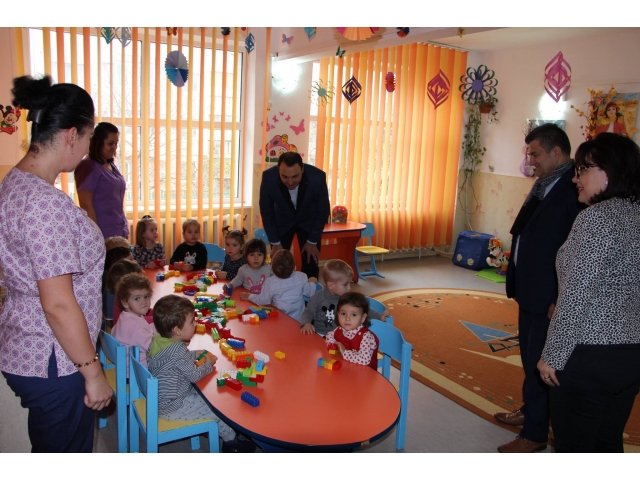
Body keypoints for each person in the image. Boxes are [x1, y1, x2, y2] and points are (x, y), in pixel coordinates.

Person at [0, 75, 112, 452]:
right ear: (71, 135)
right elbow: (58, 303)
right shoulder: (44, 204)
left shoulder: (13, 183)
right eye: (88, 137)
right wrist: (92, 372)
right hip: (56, 358)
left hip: (26, 345)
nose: (86, 149)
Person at [537, 133, 640, 452]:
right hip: (631, 356)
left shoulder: (596, 219)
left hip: (590, 356)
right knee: (607, 443)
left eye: (583, 169)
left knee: (575, 447)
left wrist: (552, 356)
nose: (575, 178)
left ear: (609, 172)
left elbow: (577, 296)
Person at [496, 123, 584, 454]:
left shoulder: (573, 190)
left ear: (556, 152)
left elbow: (574, 254)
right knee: (528, 357)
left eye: (535, 154)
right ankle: (532, 410)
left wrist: (559, 297)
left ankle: (534, 434)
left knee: (540, 361)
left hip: (548, 295)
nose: (530, 160)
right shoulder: (545, 182)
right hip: (529, 289)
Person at [147, 294, 256, 453]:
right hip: (175, 405)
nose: (195, 323)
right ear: (177, 330)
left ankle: (216, 427)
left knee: (205, 397)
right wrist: (208, 365)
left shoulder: (157, 340)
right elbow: (194, 375)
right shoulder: (177, 350)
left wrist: (191, 354)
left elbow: (171, 361)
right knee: (215, 409)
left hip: (163, 400)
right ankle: (231, 441)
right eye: (192, 322)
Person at [259, 151, 330, 279]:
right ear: (278, 171)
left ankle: (310, 291)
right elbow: (267, 211)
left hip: (308, 222)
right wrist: (275, 243)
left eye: (295, 176)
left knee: (310, 262)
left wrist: (312, 241)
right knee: (279, 265)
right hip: (282, 221)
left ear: (302, 169)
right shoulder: (269, 178)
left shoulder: (317, 177)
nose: (290, 182)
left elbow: (322, 210)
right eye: (285, 177)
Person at [301, 259, 389, 337]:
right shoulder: (318, 297)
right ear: (331, 285)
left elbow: (363, 309)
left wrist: (379, 316)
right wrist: (306, 323)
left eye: (349, 283)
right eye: (345, 284)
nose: (349, 287)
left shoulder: (347, 297)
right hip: (321, 334)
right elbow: (308, 312)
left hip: (343, 335)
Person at [74, 122, 129, 239]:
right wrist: (97, 237)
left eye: (116, 143)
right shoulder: (87, 166)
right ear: (98, 143)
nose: (114, 147)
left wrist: (124, 229)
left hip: (119, 232)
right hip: (103, 234)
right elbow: (86, 205)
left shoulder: (111, 165)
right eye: (110, 143)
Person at [240, 249, 317, 322]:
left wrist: (250, 296)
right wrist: (312, 282)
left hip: (280, 320)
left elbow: (262, 300)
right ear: (295, 267)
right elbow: (310, 292)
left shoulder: (269, 282)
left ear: (271, 267)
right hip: (299, 320)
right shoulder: (301, 277)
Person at [111, 273, 156, 376]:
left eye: (146, 296)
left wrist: (159, 327)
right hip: (137, 373)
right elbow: (154, 348)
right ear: (125, 303)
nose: (144, 302)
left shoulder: (126, 317)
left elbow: (146, 329)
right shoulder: (136, 328)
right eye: (137, 298)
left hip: (125, 368)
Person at [325, 292, 379, 370]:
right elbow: (329, 336)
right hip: (347, 368)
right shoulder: (339, 330)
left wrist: (344, 352)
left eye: (353, 315)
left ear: (363, 318)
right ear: (338, 314)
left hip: (366, 373)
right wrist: (334, 345)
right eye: (343, 313)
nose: (347, 318)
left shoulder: (365, 336)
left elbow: (365, 360)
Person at [105, 259, 152, 326]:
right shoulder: (123, 303)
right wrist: (158, 318)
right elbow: (139, 322)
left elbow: (145, 311)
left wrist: (157, 312)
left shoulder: (126, 297)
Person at [103, 245, 134, 323]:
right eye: (131, 261)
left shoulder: (119, 283)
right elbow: (110, 321)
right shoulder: (113, 290)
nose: (135, 263)